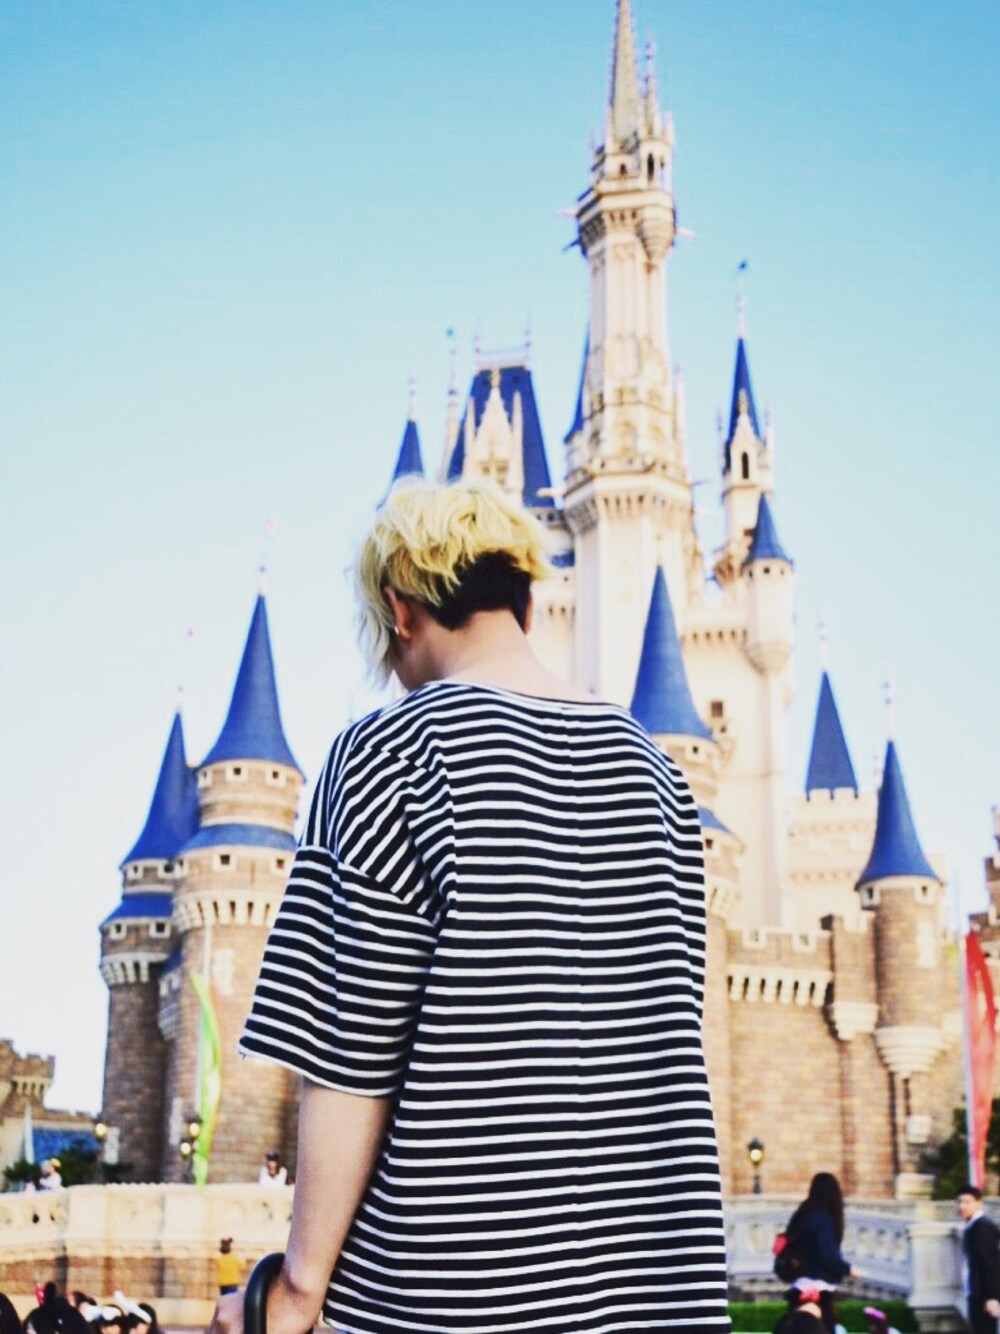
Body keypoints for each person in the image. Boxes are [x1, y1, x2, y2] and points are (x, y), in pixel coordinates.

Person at [210, 478, 732, 1334]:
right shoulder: (656, 774)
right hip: (653, 1296)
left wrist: (296, 1290)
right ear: (523, 602)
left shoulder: (390, 749)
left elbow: (351, 1053)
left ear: (400, 609)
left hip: (455, 1298)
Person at [781, 1172, 857, 1332]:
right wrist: (849, 1270)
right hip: (818, 1289)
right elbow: (828, 1255)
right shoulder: (823, 1219)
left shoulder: (802, 1215)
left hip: (799, 1286)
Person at [957, 1183, 1000, 1333]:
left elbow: (990, 1264)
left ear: (979, 1203)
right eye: (959, 1202)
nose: (962, 1206)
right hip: (976, 1294)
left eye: (967, 1202)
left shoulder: (982, 1227)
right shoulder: (973, 1226)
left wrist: (992, 1297)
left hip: (984, 1297)